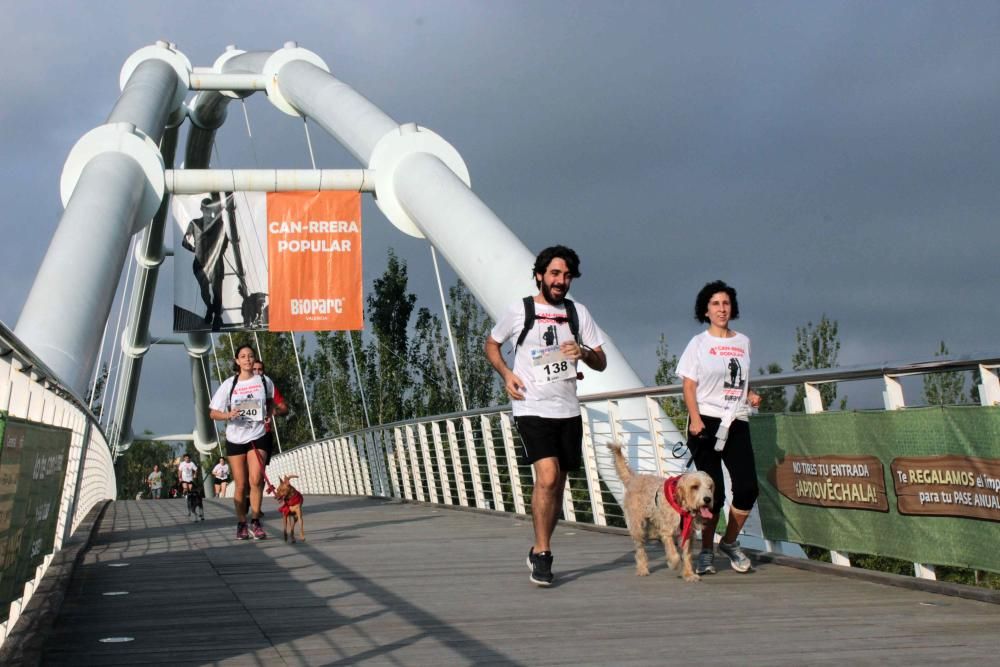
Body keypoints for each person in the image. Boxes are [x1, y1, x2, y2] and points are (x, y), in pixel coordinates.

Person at [485, 245, 607, 587]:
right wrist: (507, 374)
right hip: (531, 406)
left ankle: (539, 544)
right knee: (549, 477)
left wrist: (582, 352)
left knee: (557, 486)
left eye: (567, 275)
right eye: (554, 274)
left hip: (567, 408)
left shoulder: (578, 313)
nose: (560, 281)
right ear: (540, 275)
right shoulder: (520, 310)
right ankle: (542, 552)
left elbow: (601, 360)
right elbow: (491, 344)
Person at [677, 280, 763, 575]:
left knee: (748, 487)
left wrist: (750, 394)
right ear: (706, 310)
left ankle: (729, 541)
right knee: (713, 493)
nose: (721, 309)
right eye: (715, 304)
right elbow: (689, 385)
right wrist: (696, 418)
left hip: (736, 419)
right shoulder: (698, 343)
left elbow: (739, 378)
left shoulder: (743, 342)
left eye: (726, 303)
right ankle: (706, 551)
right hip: (706, 421)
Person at [209, 344, 275, 540]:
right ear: (237, 361)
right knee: (240, 484)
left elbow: (270, 401)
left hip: (258, 435)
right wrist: (228, 414)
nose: (247, 359)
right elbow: (213, 412)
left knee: (256, 480)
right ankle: (241, 523)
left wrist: (268, 414)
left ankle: (255, 520)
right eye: (243, 356)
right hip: (236, 438)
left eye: (251, 356)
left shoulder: (264, 381)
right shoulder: (229, 384)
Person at [182, 194, 229, 331]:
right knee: (205, 291)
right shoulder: (194, 223)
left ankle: (217, 318)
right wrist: (196, 250)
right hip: (200, 263)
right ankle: (210, 308)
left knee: (217, 291)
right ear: (203, 210)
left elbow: (225, 242)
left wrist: (218, 253)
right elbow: (185, 242)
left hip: (215, 262)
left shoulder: (220, 224)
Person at [253, 360, 289, 452]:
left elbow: (284, 408)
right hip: (244, 435)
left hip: (264, 432)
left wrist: (275, 411)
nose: (257, 372)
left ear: (263, 372)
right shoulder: (240, 386)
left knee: (258, 465)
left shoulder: (268, 385)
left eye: (259, 370)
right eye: (254, 369)